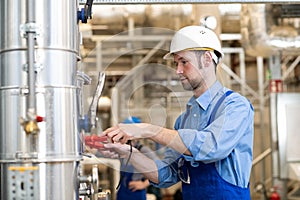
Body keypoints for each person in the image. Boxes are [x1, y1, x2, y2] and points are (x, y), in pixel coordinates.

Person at [87, 25, 254, 199]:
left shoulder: (235, 106)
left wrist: (147, 130)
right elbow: (165, 175)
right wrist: (128, 153)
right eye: (176, 63)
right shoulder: (183, 120)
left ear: (206, 59)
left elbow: (211, 147)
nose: (178, 71)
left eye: (184, 62)